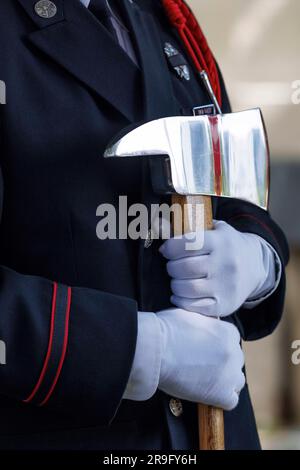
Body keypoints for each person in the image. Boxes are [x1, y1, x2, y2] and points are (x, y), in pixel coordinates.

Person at [0, 0, 289, 450]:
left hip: (220, 433)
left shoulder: (162, 17)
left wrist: (257, 260)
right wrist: (145, 351)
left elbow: (235, 189)